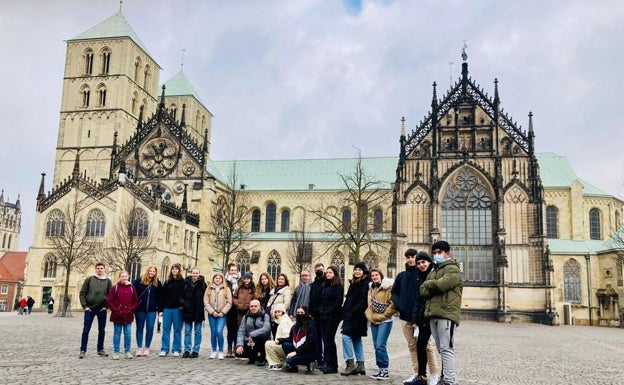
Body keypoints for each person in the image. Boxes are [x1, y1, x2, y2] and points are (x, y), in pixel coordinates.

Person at [391, 249, 439, 385]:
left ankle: (434, 373)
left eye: (413, 257)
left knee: (427, 346)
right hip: (405, 316)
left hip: (420, 317)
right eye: (408, 257)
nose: (411, 259)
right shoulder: (401, 276)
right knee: (412, 346)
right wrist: (401, 305)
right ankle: (417, 373)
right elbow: (394, 292)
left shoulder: (422, 274)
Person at [420, 241, 463, 385]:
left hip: (446, 313)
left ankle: (449, 380)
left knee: (446, 348)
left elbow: (442, 285)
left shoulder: (453, 269)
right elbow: (423, 291)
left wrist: (429, 284)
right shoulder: (434, 271)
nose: (436, 255)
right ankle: (445, 379)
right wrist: (430, 285)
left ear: (447, 253)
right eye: (434, 253)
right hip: (433, 314)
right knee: (440, 348)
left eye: (439, 252)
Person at [410, 251, 438, 385]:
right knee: (420, 345)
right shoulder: (419, 277)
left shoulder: (435, 274)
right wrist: (415, 320)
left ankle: (440, 377)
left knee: (442, 347)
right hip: (423, 317)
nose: (421, 265)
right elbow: (418, 300)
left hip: (435, 314)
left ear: (429, 262)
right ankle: (422, 376)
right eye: (419, 263)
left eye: (423, 262)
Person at [365, 268, 397, 380]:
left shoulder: (388, 288)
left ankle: (384, 370)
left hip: (385, 320)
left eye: (376, 275)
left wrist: (384, 316)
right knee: (376, 345)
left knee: (380, 345)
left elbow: (393, 304)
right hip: (374, 320)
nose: (374, 277)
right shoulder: (371, 288)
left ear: (381, 276)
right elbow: (369, 304)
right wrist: (370, 315)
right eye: (372, 275)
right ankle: (380, 370)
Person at [340, 262, 370, 376]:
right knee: (357, 339)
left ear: (364, 272)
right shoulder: (354, 283)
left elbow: (363, 301)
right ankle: (361, 365)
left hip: (356, 316)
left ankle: (350, 364)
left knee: (346, 336)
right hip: (353, 316)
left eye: (359, 270)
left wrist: (351, 312)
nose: (357, 271)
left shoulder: (365, 284)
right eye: (355, 269)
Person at [79, 262, 112, 359]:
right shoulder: (89, 279)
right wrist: (85, 306)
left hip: (102, 309)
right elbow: (82, 293)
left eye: (101, 268)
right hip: (90, 309)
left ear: (104, 269)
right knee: (86, 330)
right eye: (98, 268)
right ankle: (83, 350)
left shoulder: (108, 281)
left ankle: (100, 349)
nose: (100, 270)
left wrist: (106, 306)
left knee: (101, 330)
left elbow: (110, 295)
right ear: (95, 269)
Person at [107, 271, 139, 359]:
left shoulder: (132, 288)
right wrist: (116, 310)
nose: (124, 278)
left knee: (128, 333)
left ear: (128, 277)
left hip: (128, 314)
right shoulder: (115, 288)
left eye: (126, 276)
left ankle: (127, 351)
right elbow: (110, 301)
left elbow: (136, 301)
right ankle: (116, 352)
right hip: (117, 314)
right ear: (119, 277)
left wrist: (131, 309)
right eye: (122, 276)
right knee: (117, 333)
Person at [317, 265, 343, 374]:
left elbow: (338, 302)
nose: (328, 274)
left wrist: (329, 312)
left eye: (330, 272)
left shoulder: (338, 286)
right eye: (327, 272)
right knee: (326, 340)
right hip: (324, 316)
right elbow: (323, 301)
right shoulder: (326, 285)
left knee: (329, 340)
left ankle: (333, 365)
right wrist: (321, 310)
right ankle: (327, 363)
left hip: (333, 317)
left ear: (335, 274)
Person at [133, 266, 162, 356]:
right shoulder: (139, 281)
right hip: (140, 309)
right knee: (140, 328)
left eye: (153, 271)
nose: (152, 272)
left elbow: (160, 297)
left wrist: (159, 309)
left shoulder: (158, 283)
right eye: (150, 271)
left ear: (155, 273)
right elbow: (133, 293)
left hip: (152, 310)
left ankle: (147, 347)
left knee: (150, 328)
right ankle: (139, 347)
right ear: (147, 271)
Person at [279, 305, 317, 373]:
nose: (299, 314)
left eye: (302, 313)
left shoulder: (311, 325)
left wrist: (296, 352)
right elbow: (291, 339)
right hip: (299, 349)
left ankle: (310, 363)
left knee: (288, 360)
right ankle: (293, 366)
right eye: (298, 312)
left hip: (309, 351)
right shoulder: (295, 325)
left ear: (306, 313)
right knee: (285, 345)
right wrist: (280, 340)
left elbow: (310, 343)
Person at [158, 263, 185, 357]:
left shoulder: (183, 282)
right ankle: (164, 349)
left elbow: (184, 295)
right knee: (166, 330)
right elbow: (162, 296)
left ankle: (176, 349)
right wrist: (160, 310)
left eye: (176, 269)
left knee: (177, 330)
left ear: (179, 270)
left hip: (178, 309)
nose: (174, 270)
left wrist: (183, 305)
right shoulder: (167, 282)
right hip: (167, 309)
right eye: (173, 269)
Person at [204, 272, 232, 359]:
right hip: (212, 313)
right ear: (213, 279)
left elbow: (229, 302)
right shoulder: (209, 288)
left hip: (222, 314)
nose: (217, 280)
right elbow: (206, 301)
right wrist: (212, 312)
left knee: (219, 332)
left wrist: (223, 312)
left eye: (219, 278)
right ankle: (213, 350)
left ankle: (220, 351)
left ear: (222, 279)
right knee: (213, 332)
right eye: (216, 278)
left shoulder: (226, 289)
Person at [235, 299, 271, 365]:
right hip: (249, 340)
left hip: (261, 338)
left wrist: (252, 335)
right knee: (238, 353)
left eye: (255, 306)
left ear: (259, 307)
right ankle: (252, 357)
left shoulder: (265, 316)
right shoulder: (245, 317)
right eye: (251, 306)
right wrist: (239, 345)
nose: (253, 308)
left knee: (263, 335)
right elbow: (241, 331)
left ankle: (262, 358)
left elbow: (266, 328)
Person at [182, 267, 207, 358]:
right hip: (188, 310)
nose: (195, 275)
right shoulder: (185, 283)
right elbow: (181, 295)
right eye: (193, 273)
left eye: (197, 273)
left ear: (199, 274)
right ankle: (187, 350)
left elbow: (206, 297)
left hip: (198, 310)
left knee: (197, 331)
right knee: (187, 331)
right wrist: (184, 303)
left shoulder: (203, 284)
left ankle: (196, 350)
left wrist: (203, 305)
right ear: (191, 273)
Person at [263, 303, 294, 370]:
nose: (277, 314)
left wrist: (280, 340)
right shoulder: (283, 321)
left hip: (285, 345)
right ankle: (281, 362)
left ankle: (276, 364)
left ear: (283, 312)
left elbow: (287, 336)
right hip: (285, 345)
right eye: (276, 312)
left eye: (279, 312)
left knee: (268, 344)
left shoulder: (284, 322)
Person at [231, 271, 255, 356]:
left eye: (248, 279)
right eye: (245, 278)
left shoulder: (253, 288)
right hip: (240, 312)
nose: (246, 280)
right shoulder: (240, 288)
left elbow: (255, 299)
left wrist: (251, 307)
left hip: (249, 312)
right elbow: (234, 297)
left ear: (251, 279)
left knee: (249, 330)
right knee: (240, 330)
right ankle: (239, 349)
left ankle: (248, 350)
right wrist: (237, 303)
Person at [307, 263, 325, 368]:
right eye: (317, 269)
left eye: (320, 269)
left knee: (325, 339)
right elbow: (311, 300)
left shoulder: (327, 283)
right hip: (313, 316)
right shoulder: (313, 284)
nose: (319, 271)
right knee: (316, 338)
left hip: (323, 315)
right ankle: (318, 359)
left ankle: (324, 360)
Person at [267, 273, 292, 337]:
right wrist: (268, 309)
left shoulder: (286, 290)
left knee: (280, 334)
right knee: (274, 333)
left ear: (285, 281)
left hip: (279, 316)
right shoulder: (274, 289)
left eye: (282, 279)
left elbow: (287, 303)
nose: (280, 280)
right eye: (279, 279)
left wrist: (279, 312)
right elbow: (270, 301)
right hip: (272, 315)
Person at [224, 263, 241, 358]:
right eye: (232, 270)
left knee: (238, 330)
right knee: (230, 330)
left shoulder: (241, 281)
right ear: (229, 271)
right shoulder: (225, 281)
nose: (233, 271)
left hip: (238, 308)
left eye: (235, 270)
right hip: (229, 308)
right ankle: (229, 348)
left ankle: (236, 348)